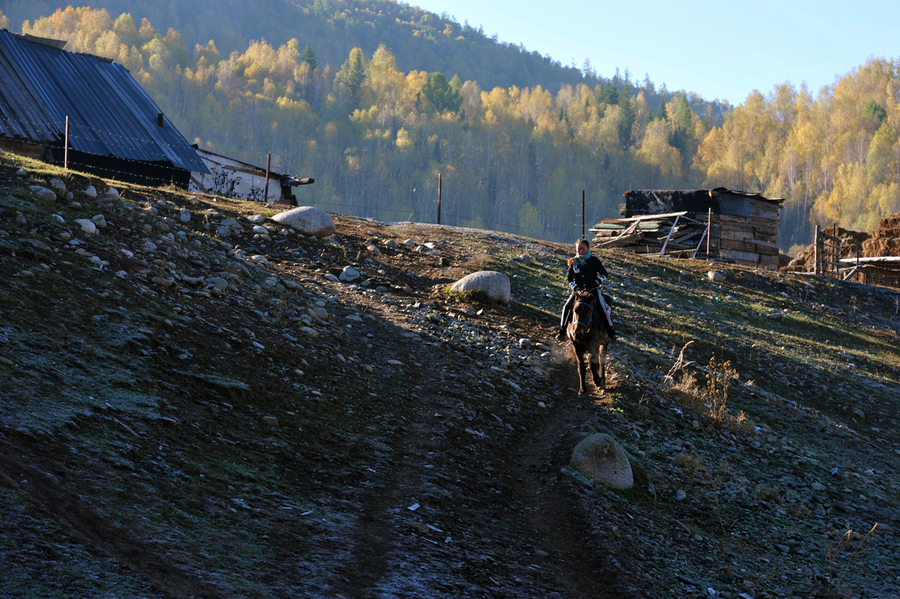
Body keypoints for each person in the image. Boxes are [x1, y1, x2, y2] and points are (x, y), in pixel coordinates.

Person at [556, 238, 616, 342]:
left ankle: (610, 332)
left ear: (588, 249)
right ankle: (562, 331)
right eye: (578, 249)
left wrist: (597, 282)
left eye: (582, 249)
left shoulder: (594, 261)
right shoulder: (573, 262)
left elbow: (605, 274)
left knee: (602, 308)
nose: (580, 251)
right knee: (566, 307)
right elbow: (569, 279)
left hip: (593, 290)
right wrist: (576, 288)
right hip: (578, 292)